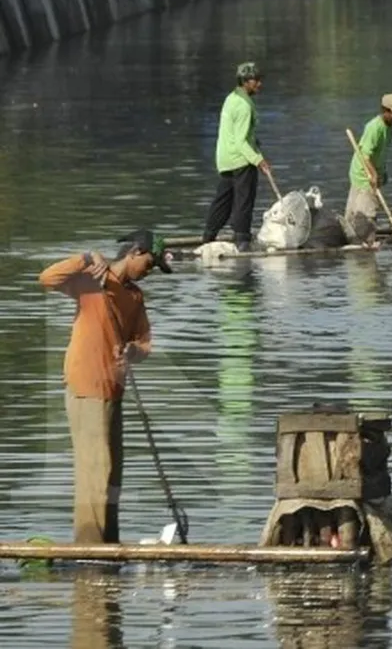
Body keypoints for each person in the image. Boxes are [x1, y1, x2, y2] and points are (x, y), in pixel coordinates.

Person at [37, 229, 174, 544]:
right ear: (135, 252)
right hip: (86, 386)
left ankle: (109, 545)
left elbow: (144, 343)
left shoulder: (135, 297)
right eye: (149, 264)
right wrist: (86, 257)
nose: (149, 272)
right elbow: (46, 278)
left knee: (112, 474)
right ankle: (89, 546)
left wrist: (133, 352)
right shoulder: (92, 281)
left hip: (114, 391)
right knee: (95, 471)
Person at [202, 61, 270, 252]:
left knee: (223, 200)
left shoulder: (231, 98)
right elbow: (241, 141)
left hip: (225, 159)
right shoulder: (243, 106)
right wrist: (258, 160)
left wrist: (255, 142)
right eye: (256, 81)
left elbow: (237, 134)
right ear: (246, 82)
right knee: (244, 200)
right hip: (241, 160)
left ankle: (208, 236)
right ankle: (242, 239)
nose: (259, 84)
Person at [344, 93, 392, 244]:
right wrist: (373, 174)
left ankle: (359, 241)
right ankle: (364, 244)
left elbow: (382, 152)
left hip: (372, 172)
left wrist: (382, 173)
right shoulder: (374, 127)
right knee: (365, 215)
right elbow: (365, 155)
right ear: (385, 110)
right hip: (363, 174)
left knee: (359, 213)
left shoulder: (390, 126)